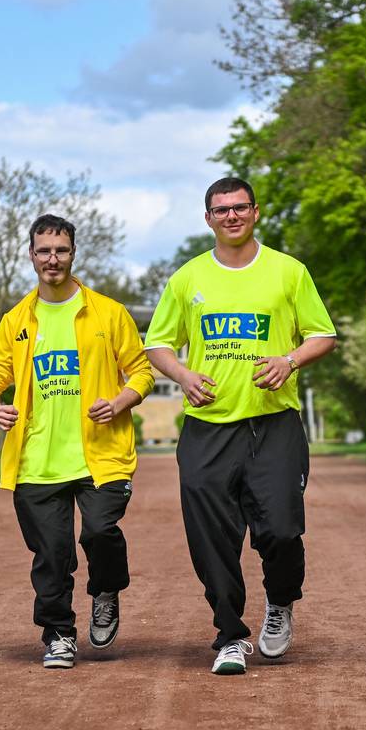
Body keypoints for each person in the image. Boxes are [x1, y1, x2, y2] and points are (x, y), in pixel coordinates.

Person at [144, 177, 336, 675]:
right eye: (221, 209)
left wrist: (289, 361)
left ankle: (280, 601)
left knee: (281, 530)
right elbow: (157, 344)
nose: (231, 216)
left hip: (274, 425)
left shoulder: (288, 271)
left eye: (240, 207)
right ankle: (229, 635)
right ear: (208, 218)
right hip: (208, 428)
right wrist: (183, 375)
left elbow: (323, 334)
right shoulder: (187, 278)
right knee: (212, 538)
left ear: (255, 212)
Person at [0, 214, 154, 669]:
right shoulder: (16, 320)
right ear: (31, 255)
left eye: (60, 250)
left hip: (102, 455)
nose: (52, 259)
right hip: (37, 460)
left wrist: (119, 402)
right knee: (52, 555)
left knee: (100, 532)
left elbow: (141, 372)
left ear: (73, 253)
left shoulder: (108, 312)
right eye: (44, 251)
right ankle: (58, 634)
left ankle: (106, 590)